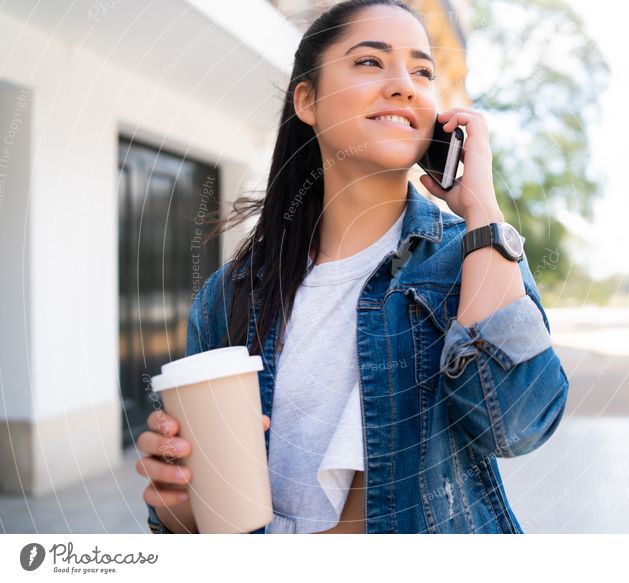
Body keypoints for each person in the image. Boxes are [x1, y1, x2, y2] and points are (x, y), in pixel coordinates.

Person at [135, 0, 569, 534]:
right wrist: (177, 503)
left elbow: (520, 425)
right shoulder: (230, 296)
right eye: (370, 61)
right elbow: (213, 526)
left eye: (423, 71)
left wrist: (482, 209)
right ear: (307, 100)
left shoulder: (478, 253)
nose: (404, 84)